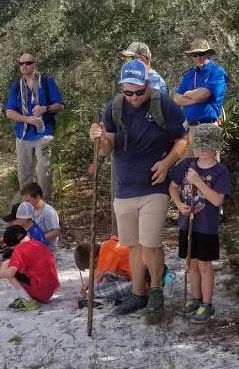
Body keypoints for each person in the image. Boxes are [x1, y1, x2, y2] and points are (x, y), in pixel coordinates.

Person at [89, 59, 189, 320]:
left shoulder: (163, 104)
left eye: (138, 91)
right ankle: (138, 294)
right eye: (128, 92)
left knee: (150, 244)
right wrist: (99, 138)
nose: (133, 97)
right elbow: (107, 148)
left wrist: (167, 164)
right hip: (123, 189)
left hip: (155, 187)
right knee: (132, 246)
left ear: (147, 84)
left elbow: (183, 140)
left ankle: (155, 292)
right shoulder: (114, 108)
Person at [169, 123, 230, 324]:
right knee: (190, 263)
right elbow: (173, 187)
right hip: (187, 224)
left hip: (206, 227)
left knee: (204, 265)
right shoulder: (187, 164)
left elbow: (217, 200)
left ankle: (207, 302)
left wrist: (199, 183)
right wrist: (179, 204)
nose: (202, 151)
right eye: (199, 146)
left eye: (207, 146)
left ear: (216, 147)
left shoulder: (220, 172)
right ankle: (195, 299)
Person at [4, 52, 64, 200]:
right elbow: (9, 112)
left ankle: (44, 206)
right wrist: (27, 119)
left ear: (35, 64)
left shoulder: (47, 82)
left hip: (44, 132)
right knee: (24, 174)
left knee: (44, 170)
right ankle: (27, 208)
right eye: (21, 64)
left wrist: (45, 109)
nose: (24, 66)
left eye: (28, 63)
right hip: (23, 135)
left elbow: (60, 105)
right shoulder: (16, 87)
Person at [0, 224, 59, 311]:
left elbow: (10, 273)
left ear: (12, 244)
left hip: (41, 292)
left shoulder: (19, 251)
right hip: (51, 289)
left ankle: (28, 302)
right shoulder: (38, 244)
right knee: (10, 265)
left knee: (6, 268)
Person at [173, 38, 228, 127]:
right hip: (189, 126)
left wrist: (187, 94)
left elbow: (204, 94)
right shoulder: (189, 75)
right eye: (195, 55)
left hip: (208, 125)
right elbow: (176, 99)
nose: (198, 58)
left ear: (208, 54)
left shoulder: (217, 72)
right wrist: (196, 98)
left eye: (201, 54)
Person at [19, 182, 60, 250]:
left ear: (38, 197)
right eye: (24, 202)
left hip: (47, 249)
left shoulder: (48, 211)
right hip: (33, 246)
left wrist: (37, 238)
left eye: (28, 201)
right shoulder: (30, 209)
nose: (25, 204)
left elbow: (56, 232)